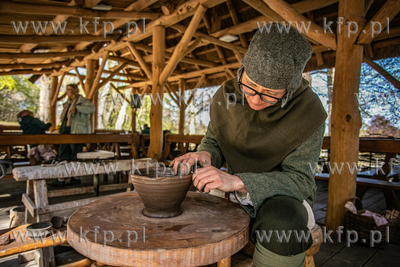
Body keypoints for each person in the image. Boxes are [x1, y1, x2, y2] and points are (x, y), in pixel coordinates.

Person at [171, 25, 327, 267]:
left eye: (269, 94)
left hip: (281, 196)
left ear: (290, 90)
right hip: (230, 189)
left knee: (283, 224)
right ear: (241, 70)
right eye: (250, 86)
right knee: (182, 201)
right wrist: (204, 154)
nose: (255, 99)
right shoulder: (228, 95)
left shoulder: (308, 111)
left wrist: (239, 182)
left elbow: (301, 180)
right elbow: (214, 142)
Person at [51, 84, 95, 187]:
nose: (67, 92)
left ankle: (76, 177)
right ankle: (61, 178)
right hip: (66, 129)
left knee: (76, 154)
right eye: (66, 90)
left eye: (69, 90)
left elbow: (91, 108)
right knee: (63, 153)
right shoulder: (67, 103)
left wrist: (78, 108)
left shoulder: (81, 100)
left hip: (77, 130)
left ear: (74, 90)